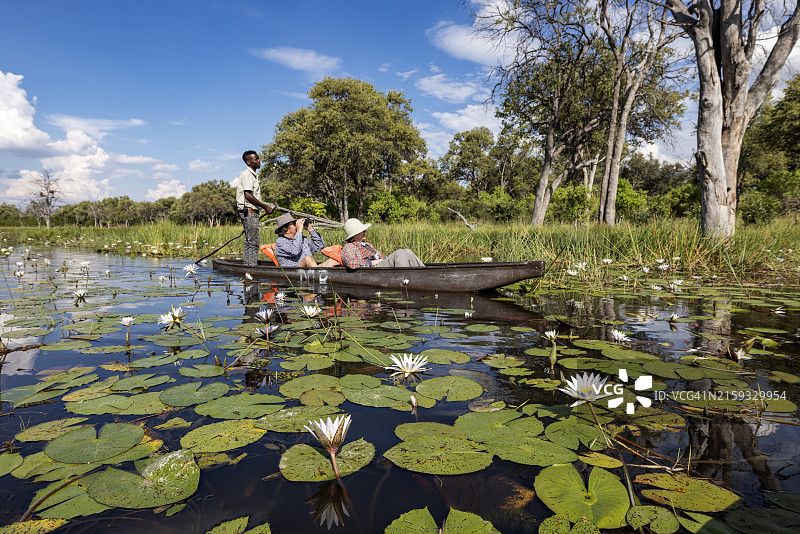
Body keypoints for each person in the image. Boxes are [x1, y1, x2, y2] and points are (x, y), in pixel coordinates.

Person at [236, 150, 274, 266]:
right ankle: (252, 267)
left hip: (250, 211)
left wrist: (265, 206)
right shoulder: (247, 175)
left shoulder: (252, 175)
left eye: (258, 158)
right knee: (253, 242)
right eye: (255, 159)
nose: (258, 161)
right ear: (248, 162)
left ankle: (248, 265)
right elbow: (248, 195)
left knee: (249, 241)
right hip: (249, 212)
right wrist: (265, 206)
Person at [340, 218, 424, 268]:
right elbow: (349, 262)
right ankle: (405, 278)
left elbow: (381, 256)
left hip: (380, 265)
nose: (365, 231)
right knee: (400, 253)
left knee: (406, 251)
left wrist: (390, 259)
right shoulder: (349, 247)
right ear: (354, 236)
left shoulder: (368, 245)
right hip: (372, 271)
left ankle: (425, 272)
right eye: (362, 231)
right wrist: (372, 263)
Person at [273, 213, 338, 267]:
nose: (296, 225)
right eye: (293, 224)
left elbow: (319, 246)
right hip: (294, 272)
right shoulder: (280, 241)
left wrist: (310, 229)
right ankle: (320, 279)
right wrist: (299, 231)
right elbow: (295, 251)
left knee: (336, 260)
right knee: (307, 259)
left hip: (311, 269)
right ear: (285, 230)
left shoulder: (303, 239)